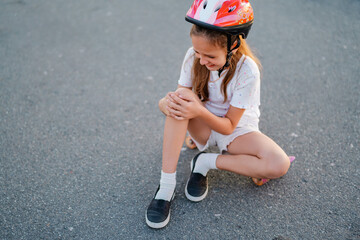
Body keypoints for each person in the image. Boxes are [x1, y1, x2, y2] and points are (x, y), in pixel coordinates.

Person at [145, 0, 293, 229]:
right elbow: (178, 99)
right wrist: (165, 104)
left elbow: (229, 127)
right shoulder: (194, 57)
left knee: (279, 164)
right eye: (197, 53)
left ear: (233, 45)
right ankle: (165, 188)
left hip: (236, 130)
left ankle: (205, 162)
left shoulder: (248, 70)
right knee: (179, 103)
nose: (202, 60)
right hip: (201, 126)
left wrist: (198, 110)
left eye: (210, 57)